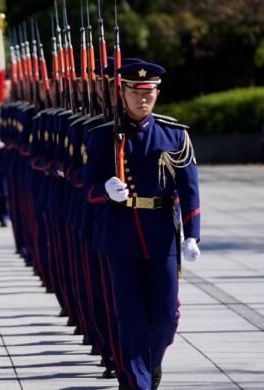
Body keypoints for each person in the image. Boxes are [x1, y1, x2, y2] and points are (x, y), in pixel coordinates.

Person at [83, 61, 201, 390]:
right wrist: (104, 189)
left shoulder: (174, 135)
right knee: (132, 320)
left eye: (148, 93)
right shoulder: (102, 136)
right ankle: (137, 382)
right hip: (119, 239)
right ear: (122, 94)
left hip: (160, 236)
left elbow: (189, 189)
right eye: (135, 93)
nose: (142, 99)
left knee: (166, 316)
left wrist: (192, 235)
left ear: (157, 93)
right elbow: (86, 184)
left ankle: (152, 361)